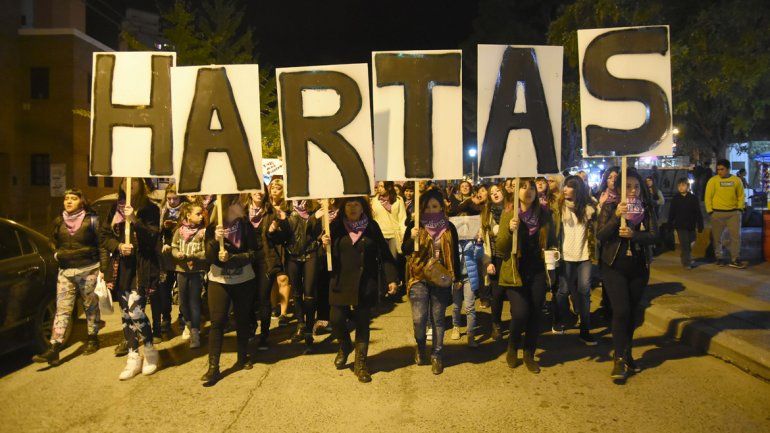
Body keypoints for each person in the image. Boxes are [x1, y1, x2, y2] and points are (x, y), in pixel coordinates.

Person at [321, 197, 399, 382]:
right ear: (343, 208)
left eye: (356, 204)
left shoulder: (372, 227)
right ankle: (345, 345)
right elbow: (322, 259)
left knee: (363, 322)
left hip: (366, 282)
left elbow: (385, 254)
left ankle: (361, 364)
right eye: (349, 204)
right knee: (336, 319)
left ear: (363, 207)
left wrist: (392, 279)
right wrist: (323, 246)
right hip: (340, 281)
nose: (353, 208)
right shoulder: (335, 227)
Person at [33, 189, 108, 365]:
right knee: (62, 309)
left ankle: (92, 338)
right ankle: (54, 347)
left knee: (90, 306)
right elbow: (52, 242)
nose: (69, 201)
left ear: (82, 201)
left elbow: (102, 245)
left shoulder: (92, 220)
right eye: (66, 198)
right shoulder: (59, 221)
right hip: (65, 271)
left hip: (88, 269)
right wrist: (57, 254)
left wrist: (104, 269)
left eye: (73, 198)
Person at [596, 168, 657, 381]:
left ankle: (627, 351)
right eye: (628, 186)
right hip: (614, 267)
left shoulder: (646, 208)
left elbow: (654, 235)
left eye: (636, 186)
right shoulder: (610, 206)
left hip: (638, 268)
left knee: (632, 313)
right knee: (621, 311)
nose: (633, 190)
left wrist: (635, 235)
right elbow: (601, 235)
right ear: (620, 189)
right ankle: (619, 359)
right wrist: (616, 218)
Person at [101, 178, 161, 380]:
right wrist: (117, 246)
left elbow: (153, 237)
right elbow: (104, 236)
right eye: (125, 181)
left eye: (134, 181)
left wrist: (135, 220)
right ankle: (133, 355)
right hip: (121, 268)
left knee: (136, 311)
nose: (129, 185)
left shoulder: (150, 209)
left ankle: (150, 350)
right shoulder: (114, 208)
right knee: (126, 315)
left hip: (141, 267)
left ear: (141, 185)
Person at [496, 179, 556, 374]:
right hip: (515, 272)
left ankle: (529, 353)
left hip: (537, 271)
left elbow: (553, 242)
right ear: (516, 191)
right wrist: (509, 229)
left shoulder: (544, 214)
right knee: (520, 313)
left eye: (531, 187)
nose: (528, 191)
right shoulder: (509, 213)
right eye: (523, 187)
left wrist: (554, 254)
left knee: (535, 313)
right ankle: (513, 345)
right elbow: (501, 248)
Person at [402, 189, 462, 375]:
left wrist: (457, 277)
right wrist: (412, 238)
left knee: (438, 319)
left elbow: (454, 254)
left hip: (441, 278)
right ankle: (421, 347)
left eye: (434, 206)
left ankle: (437, 354)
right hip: (418, 277)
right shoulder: (415, 225)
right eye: (427, 206)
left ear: (441, 207)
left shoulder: (449, 227)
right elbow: (404, 250)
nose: (430, 209)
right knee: (419, 319)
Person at [202, 195, 258, 385]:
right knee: (217, 322)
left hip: (244, 280)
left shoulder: (246, 226)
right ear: (227, 207)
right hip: (219, 280)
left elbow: (254, 253)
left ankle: (243, 357)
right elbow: (209, 258)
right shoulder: (213, 228)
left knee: (242, 319)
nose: (242, 206)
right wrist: (213, 241)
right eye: (236, 203)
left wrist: (232, 259)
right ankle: (213, 367)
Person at [554, 176, 597, 344]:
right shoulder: (559, 207)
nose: (565, 189)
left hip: (584, 255)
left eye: (569, 186)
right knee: (563, 291)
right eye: (565, 186)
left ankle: (584, 330)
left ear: (577, 189)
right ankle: (559, 320)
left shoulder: (589, 209)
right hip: (565, 255)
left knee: (584, 291)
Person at [284, 199, 323, 352]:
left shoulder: (314, 207)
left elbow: (315, 233)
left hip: (310, 253)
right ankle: (300, 324)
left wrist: (315, 219)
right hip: (292, 255)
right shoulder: (286, 207)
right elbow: (283, 235)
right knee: (296, 292)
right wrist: (276, 227)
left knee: (309, 293)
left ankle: (308, 330)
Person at [171, 202, 208, 349]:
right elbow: (173, 247)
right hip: (181, 271)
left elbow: (206, 252)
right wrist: (176, 254)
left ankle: (195, 331)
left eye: (201, 214)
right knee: (182, 303)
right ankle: (188, 323)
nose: (201, 217)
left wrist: (193, 256)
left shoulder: (202, 232)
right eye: (198, 214)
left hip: (196, 272)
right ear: (188, 215)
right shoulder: (179, 231)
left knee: (194, 302)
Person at [154, 184, 185, 342]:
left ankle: (182, 316)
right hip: (164, 257)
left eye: (175, 198)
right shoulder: (161, 210)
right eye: (169, 198)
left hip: (180, 255)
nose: (172, 201)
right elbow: (156, 231)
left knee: (181, 289)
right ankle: (165, 318)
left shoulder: (185, 209)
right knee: (164, 289)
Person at [705, 159, 746, 268]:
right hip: (717, 213)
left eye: (722, 169)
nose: (719, 171)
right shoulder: (712, 181)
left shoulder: (736, 180)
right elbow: (708, 197)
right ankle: (719, 257)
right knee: (717, 237)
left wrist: (740, 209)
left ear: (728, 169)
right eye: (718, 169)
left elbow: (741, 195)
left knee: (736, 237)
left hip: (733, 214)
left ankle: (735, 258)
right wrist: (710, 211)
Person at [266, 178, 291, 325]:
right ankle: (274, 306)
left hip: (283, 246)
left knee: (283, 279)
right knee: (272, 280)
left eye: (278, 188)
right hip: (268, 246)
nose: (274, 190)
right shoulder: (266, 207)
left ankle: (284, 312)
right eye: (272, 187)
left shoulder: (287, 208)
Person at [484, 183, 507, 341]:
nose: (496, 194)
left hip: (510, 258)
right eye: (492, 193)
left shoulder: (512, 210)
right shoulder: (487, 214)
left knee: (513, 294)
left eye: (498, 190)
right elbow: (485, 242)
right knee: (497, 294)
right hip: (495, 258)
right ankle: (496, 324)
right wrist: (488, 262)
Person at [668, 178, 704, 269]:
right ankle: (686, 262)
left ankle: (686, 255)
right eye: (679, 185)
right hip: (680, 225)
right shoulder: (675, 199)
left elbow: (698, 212)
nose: (681, 187)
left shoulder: (693, 198)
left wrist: (700, 224)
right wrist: (670, 224)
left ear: (688, 186)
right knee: (685, 244)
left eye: (683, 185)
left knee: (691, 241)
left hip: (691, 225)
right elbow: (672, 212)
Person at [371, 181, 407, 260]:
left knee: (393, 260)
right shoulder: (375, 200)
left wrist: (403, 235)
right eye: (378, 186)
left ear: (389, 187)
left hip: (394, 235)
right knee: (381, 261)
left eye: (382, 186)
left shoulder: (398, 200)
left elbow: (402, 219)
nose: (379, 189)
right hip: (379, 235)